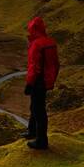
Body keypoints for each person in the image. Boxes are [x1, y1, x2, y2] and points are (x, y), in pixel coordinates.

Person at [23, 15, 60, 150]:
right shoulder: (51, 42)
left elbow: (34, 66)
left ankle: (41, 141)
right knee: (36, 107)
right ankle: (32, 131)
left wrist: (29, 84)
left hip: (38, 80)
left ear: (33, 29)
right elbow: (56, 64)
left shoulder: (36, 44)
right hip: (45, 80)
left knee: (38, 110)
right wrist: (51, 79)